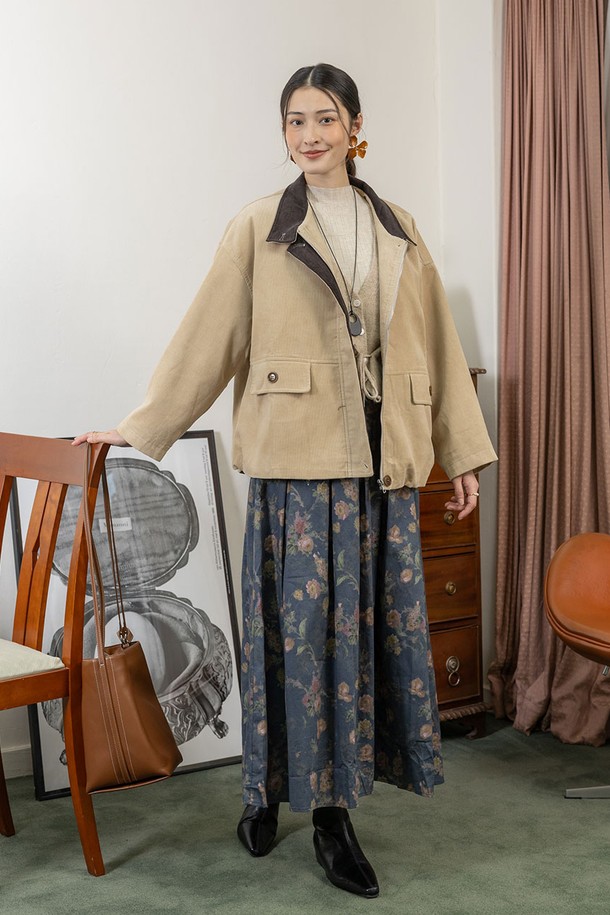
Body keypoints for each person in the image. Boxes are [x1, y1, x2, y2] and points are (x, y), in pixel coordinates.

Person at [74, 63, 497, 898]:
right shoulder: (259, 227)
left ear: (355, 127)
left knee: (361, 643)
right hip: (297, 469)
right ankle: (265, 790)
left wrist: (463, 456)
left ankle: (335, 815)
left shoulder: (399, 227)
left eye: (325, 119)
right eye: (296, 121)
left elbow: (439, 349)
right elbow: (209, 336)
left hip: (383, 469)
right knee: (294, 641)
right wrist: (140, 424)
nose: (309, 134)